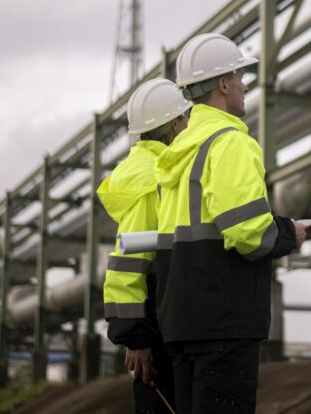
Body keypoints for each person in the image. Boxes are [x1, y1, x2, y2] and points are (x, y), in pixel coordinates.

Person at [156, 33, 308, 413]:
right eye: (240, 76)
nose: (244, 85)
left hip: (182, 322)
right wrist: (290, 233)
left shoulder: (179, 153)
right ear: (223, 84)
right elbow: (247, 232)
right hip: (224, 321)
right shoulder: (230, 143)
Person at [100, 78, 192, 414]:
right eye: (183, 119)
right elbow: (127, 265)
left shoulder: (156, 167)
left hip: (161, 318)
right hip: (154, 328)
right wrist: (135, 339)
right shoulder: (150, 178)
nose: (187, 124)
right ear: (170, 125)